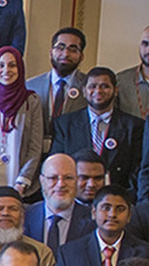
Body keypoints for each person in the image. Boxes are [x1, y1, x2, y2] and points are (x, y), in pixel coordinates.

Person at [53, 66, 142, 196]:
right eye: (92, 86)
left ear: (115, 90)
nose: (98, 91)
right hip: (74, 198)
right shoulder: (65, 124)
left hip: (116, 200)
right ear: (84, 91)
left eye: (104, 86)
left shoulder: (134, 126)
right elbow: (58, 162)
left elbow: (137, 169)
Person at [25, 27, 88, 152]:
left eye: (73, 49)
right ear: (51, 52)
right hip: (35, 154)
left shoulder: (89, 87)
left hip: (73, 155)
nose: (65, 54)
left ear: (81, 56)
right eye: (60, 47)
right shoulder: (30, 86)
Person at [26, 153, 94, 257]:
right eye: (53, 178)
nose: (61, 184)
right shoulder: (26, 216)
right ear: (42, 181)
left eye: (68, 178)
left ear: (76, 180)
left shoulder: (93, 220)